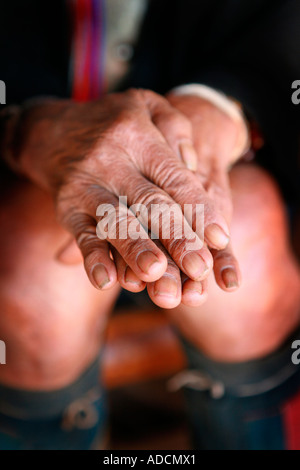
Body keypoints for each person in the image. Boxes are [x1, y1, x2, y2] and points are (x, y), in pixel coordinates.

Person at [0, 0, 299, 450]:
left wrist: (221, 105)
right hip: (26, 154)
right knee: (30, 272)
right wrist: (28, 128)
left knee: (246, 239)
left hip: (224, 109)